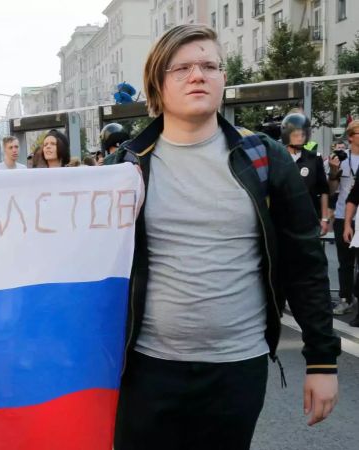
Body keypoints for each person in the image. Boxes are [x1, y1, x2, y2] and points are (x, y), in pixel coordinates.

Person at [111, 25, 338, 450]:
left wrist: (322, 360)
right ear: (158, 83)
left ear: (223, 80)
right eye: (182, 68)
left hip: (236, 367)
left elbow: (305, 263)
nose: (198, 75)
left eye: (209, 65)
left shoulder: (263, 157)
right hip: (145, 370)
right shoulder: (124, 167)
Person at [280, 113, 330, 235]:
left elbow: (323, 190)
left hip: (309, 218)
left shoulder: (314, 158)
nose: (300, 138)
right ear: (287, 135)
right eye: (296, 135)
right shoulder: (277, 158)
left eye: (303, 134)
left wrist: (324, 218)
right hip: (282, 219)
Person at [332, 120, 359, 317]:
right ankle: (345, 298)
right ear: (350, 137)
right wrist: (334, 172)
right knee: (346, 261)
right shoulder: (340, 158)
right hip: (343, 215)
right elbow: (331, 190)